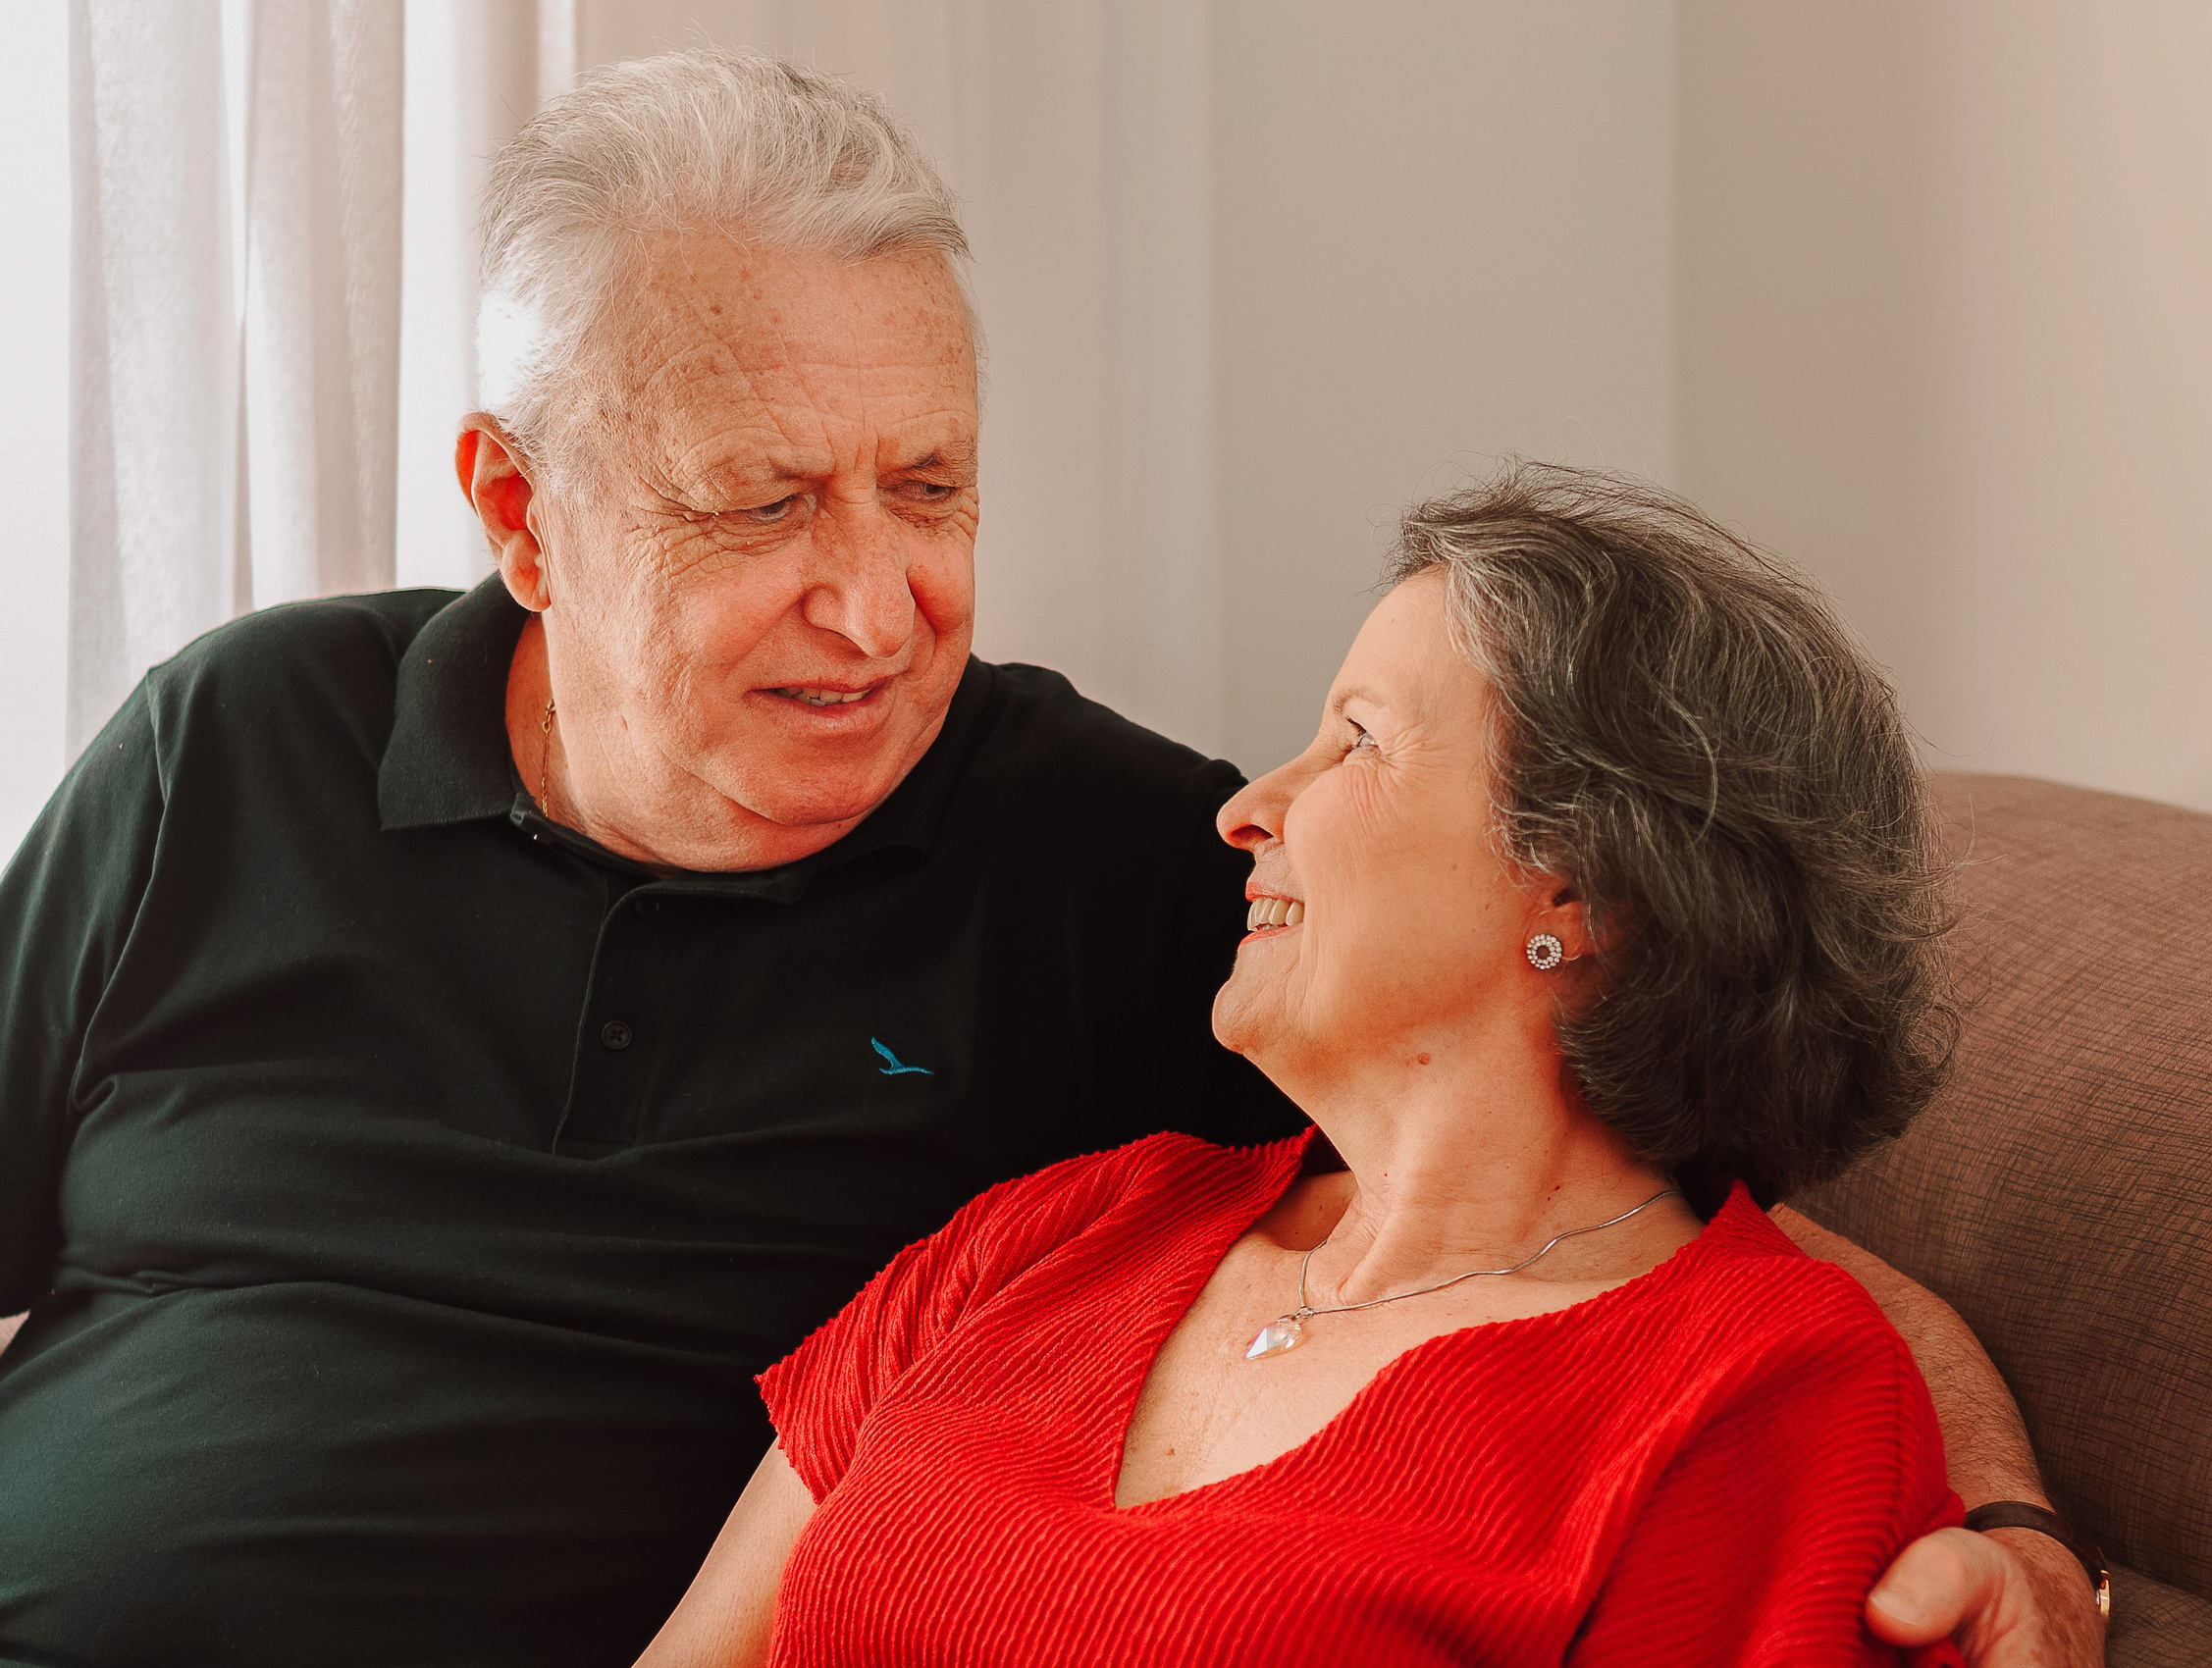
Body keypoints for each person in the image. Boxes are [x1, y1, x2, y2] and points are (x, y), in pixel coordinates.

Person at [0, 50, 2095, 1668]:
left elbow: (1632, 1212)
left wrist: (2005, 1537)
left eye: (928, 485)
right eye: (760, 506)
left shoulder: (1109, 867)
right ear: (522, 514)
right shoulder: (226, 748)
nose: (877, 601)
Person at [635, 464, 1974, 1666]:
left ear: (1583, 891)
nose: (1246, 808)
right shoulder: (1066, 1231)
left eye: (1358, 740)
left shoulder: (1759, 1401)